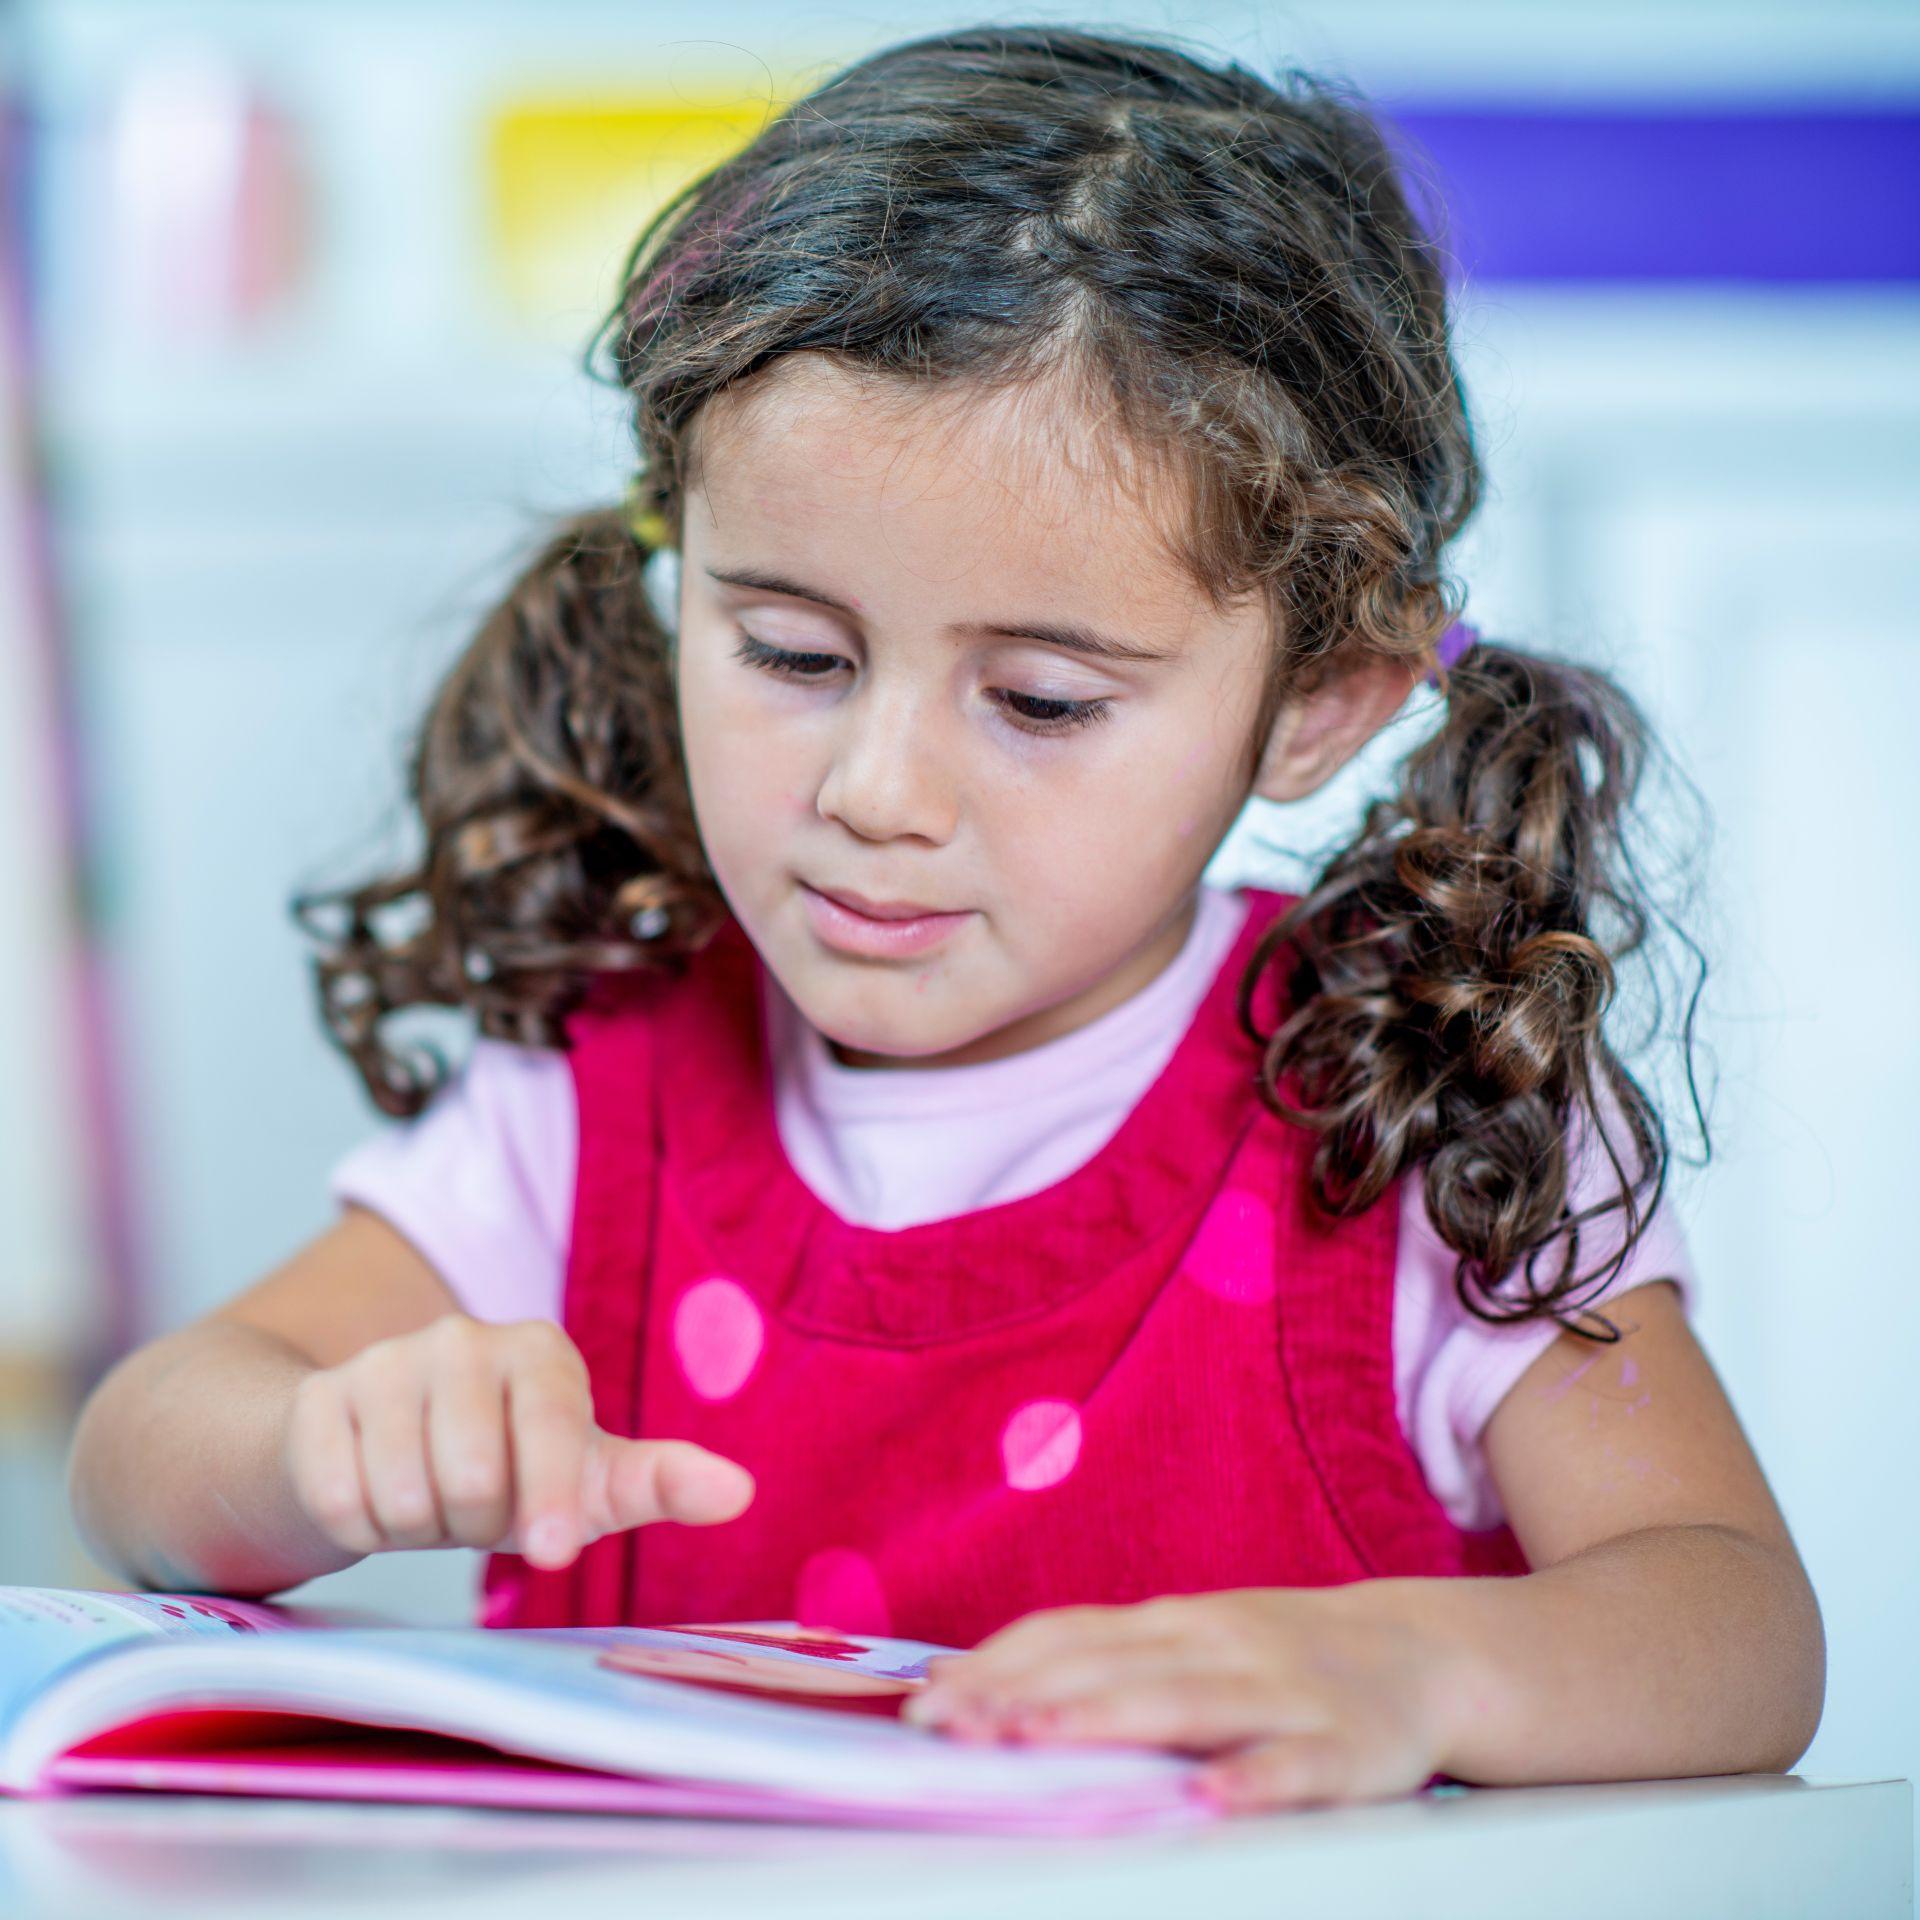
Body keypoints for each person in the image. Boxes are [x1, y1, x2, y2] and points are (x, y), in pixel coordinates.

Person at [67, 24, 1824, 1811]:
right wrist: (312, 1448)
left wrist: (1418, 1669)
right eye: (792, 655)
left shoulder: (1419, 1109)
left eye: (1043, 702)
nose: (876, 789)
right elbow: (143, 1450)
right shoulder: (605, 1097)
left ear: (1317, 702)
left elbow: (1734, 1621)